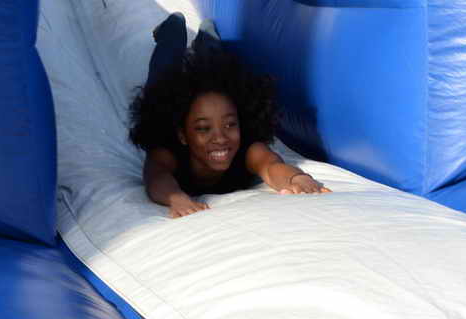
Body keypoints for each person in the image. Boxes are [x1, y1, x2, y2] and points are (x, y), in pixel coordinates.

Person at [129, 12, 331, 218]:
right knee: (163, 74)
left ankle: (207, 37)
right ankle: (173, 28)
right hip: (167, 106)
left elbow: (272, 167)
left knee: (214, 65)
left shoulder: (248, 150)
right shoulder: (168, 151)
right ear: (183, 134)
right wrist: (177, 198)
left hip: (214, 74)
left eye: (229, 125)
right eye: (203, 128)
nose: (220, 138)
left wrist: (297, 179)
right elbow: (156, 177)